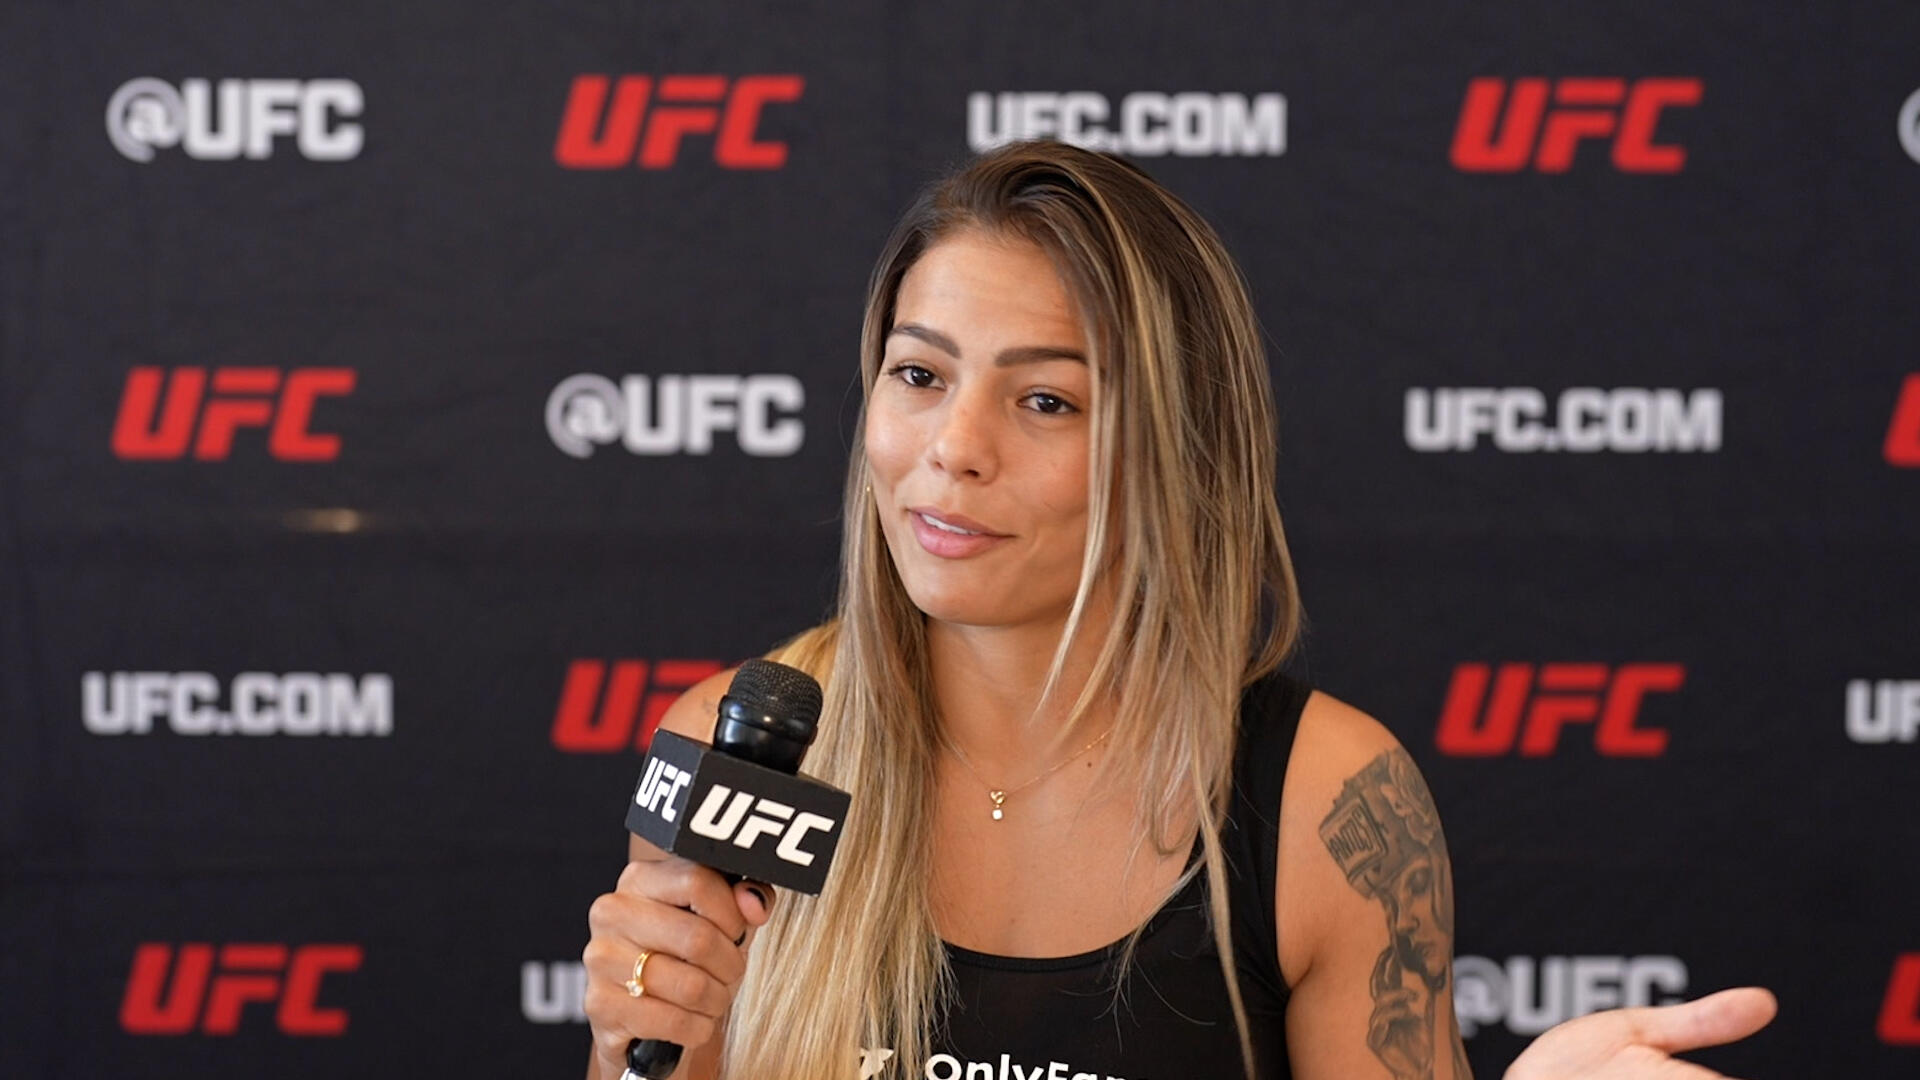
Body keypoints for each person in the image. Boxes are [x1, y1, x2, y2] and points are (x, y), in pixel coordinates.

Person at [582, 141, 1776, 1080]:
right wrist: (636, 1043)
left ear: (1177, 448)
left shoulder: (1328, 804)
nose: (953, 448)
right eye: (919, 374)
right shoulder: (732, 748)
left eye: (1046, 401)